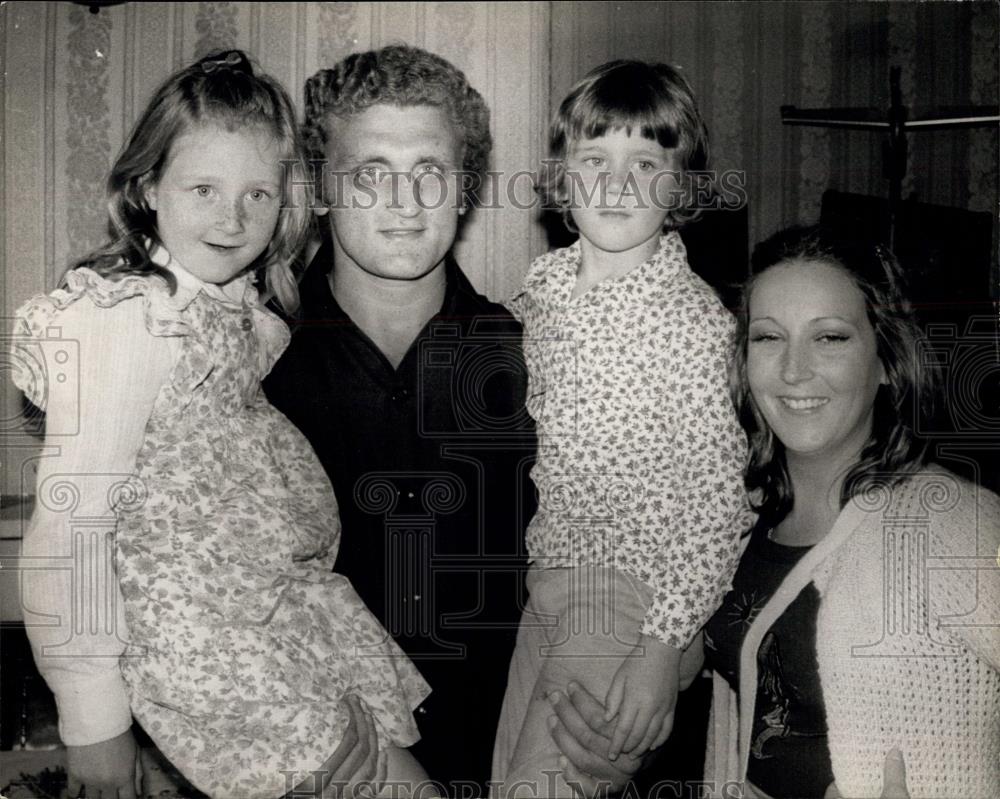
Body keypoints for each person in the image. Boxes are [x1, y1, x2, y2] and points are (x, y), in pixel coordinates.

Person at [12, 50, 434, 799]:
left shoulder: (232, 314)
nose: (231, 217)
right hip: (224, 664)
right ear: (147, 186)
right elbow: (69, 529)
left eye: (257, 194)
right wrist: (94, 722)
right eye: (203, 187)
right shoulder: (126, 321)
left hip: (283, 632)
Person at [263, 45, 534, 795]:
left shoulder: (536, 359)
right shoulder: (253, 365)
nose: (404, 202)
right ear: (320, 186)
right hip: (326, 760)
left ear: (465, 188)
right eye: (370, 173)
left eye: (429, 172)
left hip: (515, 754)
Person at [490, 60, 754, 797]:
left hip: (629, 595)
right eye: (594, 159)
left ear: (682, 187)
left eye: (646, 163)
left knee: (541, 786)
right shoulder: (543, 288)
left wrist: (663, 646)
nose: (616, 183)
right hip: (546, 580)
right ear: (561, 179)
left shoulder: (692, 323)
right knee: (501, 774)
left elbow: (719, 502)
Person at [698, 225, 1000, 798]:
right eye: (767, 338)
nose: (793, 371)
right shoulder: (735, 520)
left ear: (886, 361)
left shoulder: (952, 522)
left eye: (830, 338)